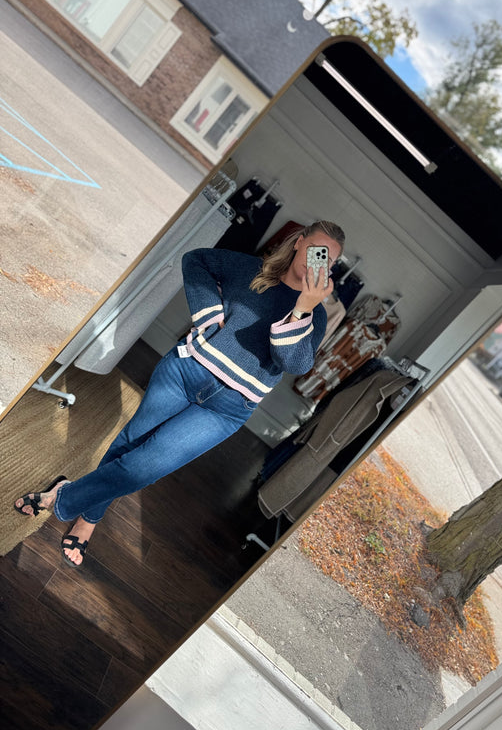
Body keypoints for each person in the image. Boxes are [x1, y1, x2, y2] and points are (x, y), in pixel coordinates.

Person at [14, 221, 345, 567]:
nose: (318, 264)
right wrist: (209, 315)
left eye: (329, 261)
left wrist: (304, 307)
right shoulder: (250, 269)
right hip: (184, 372)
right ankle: (87, 520)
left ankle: (61, 496)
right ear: (299, 242)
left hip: (227, 409)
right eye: (316, 251)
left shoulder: (315, 316)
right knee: (129, 444)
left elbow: (291, 361)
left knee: (145, 467)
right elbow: (195, 260)